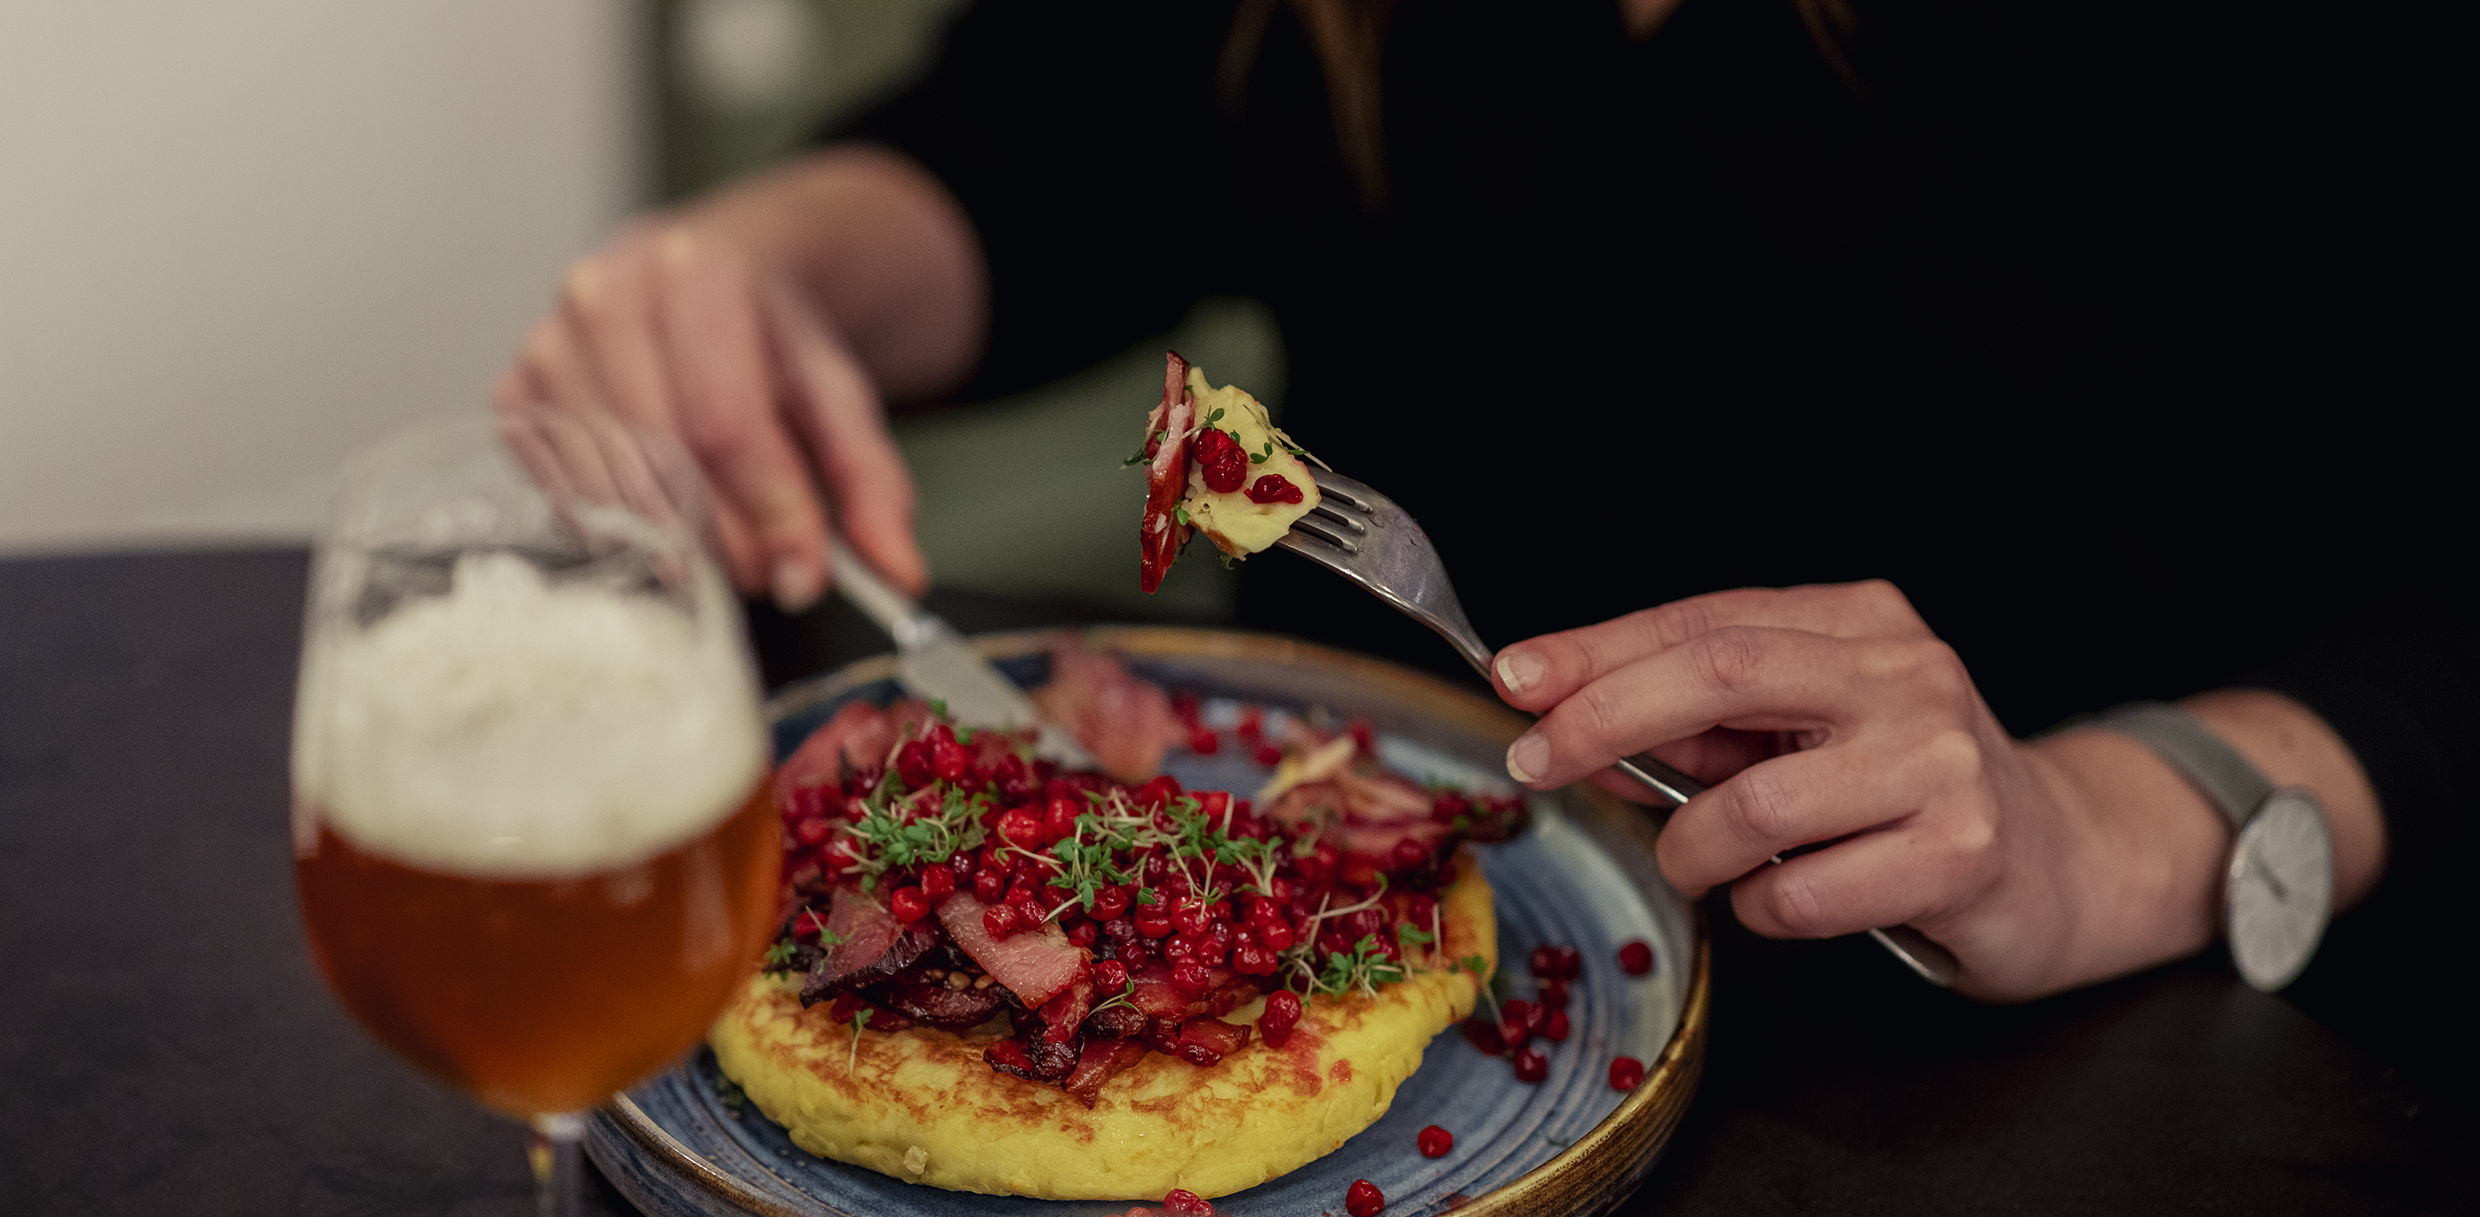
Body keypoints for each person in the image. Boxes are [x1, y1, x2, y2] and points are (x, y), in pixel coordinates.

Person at [497, 0, 2467, 1027]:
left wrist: (2117, 820)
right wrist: (764, 272)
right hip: (1364, 920)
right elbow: (1046, 143)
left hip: (2072, 1040)